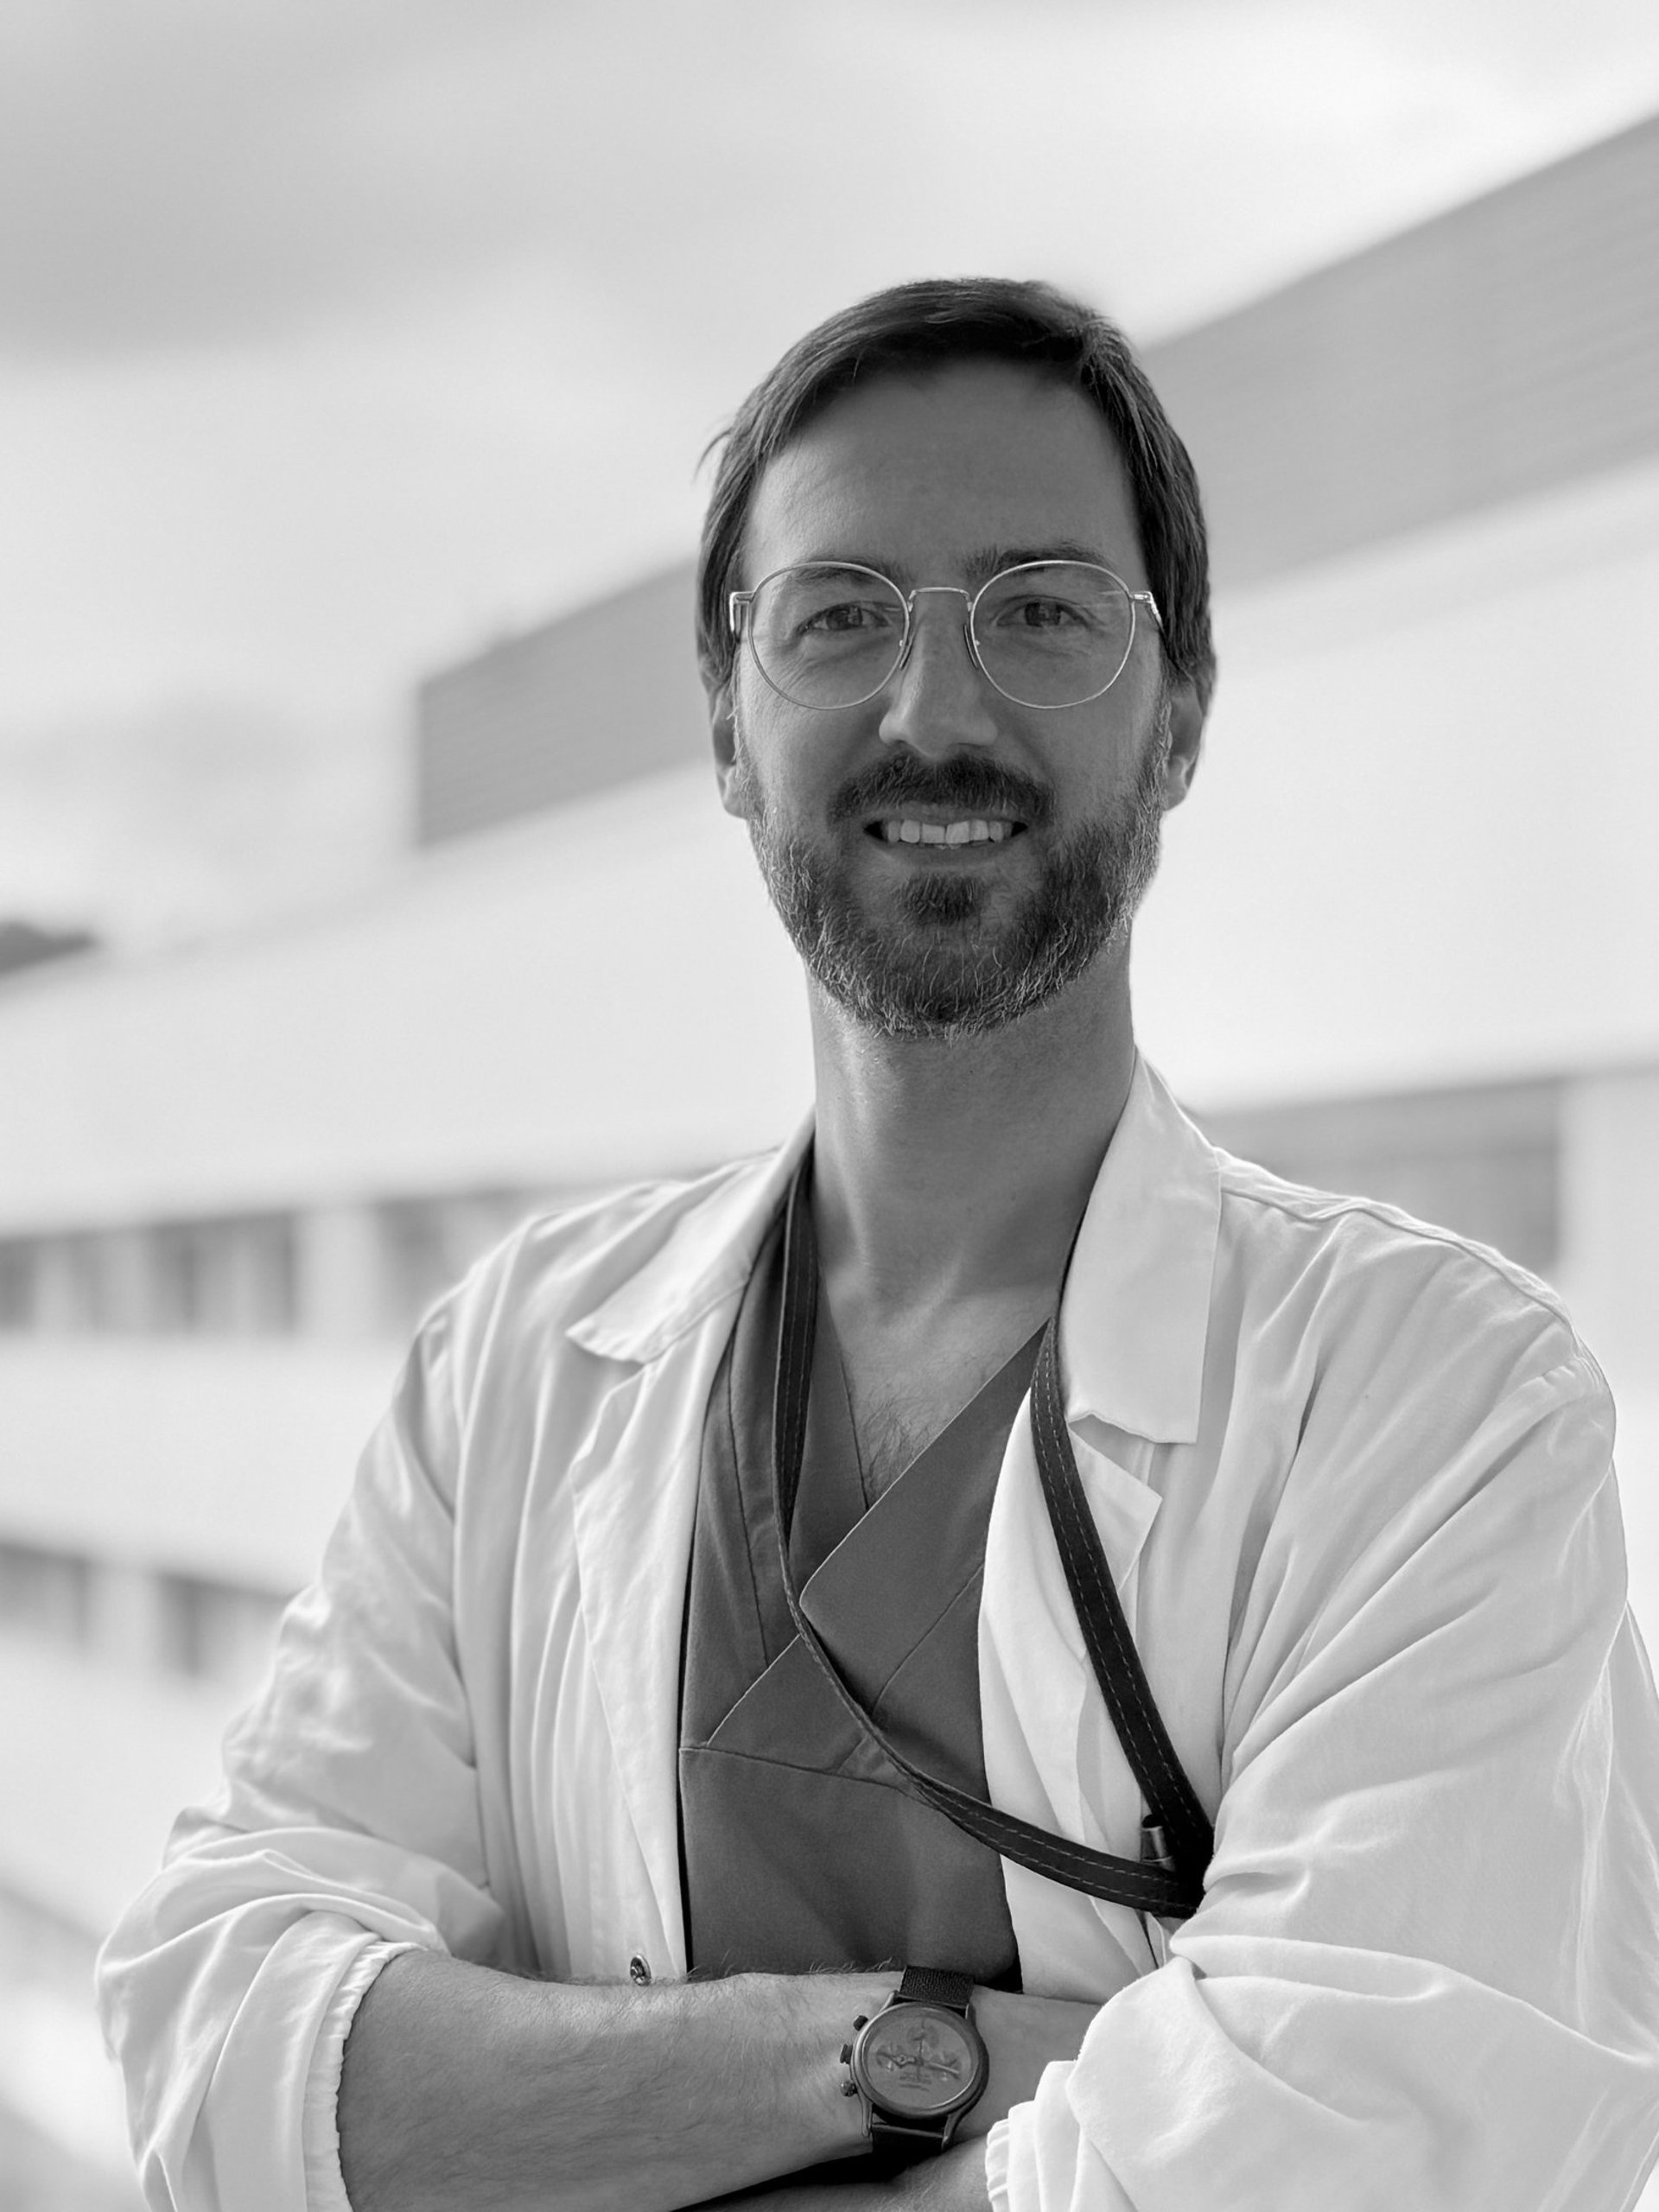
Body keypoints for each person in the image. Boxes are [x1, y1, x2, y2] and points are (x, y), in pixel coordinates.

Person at [97, 277, 1659, 2212]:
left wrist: (548, 2122)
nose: (937, 711)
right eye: (839, 616)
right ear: (729, 725)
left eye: (1043, 610)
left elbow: (1381, 2156)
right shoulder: (512, 1368)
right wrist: (913, 2056)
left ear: (1178, 716)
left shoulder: (1439, 1407)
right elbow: (220, 2048)